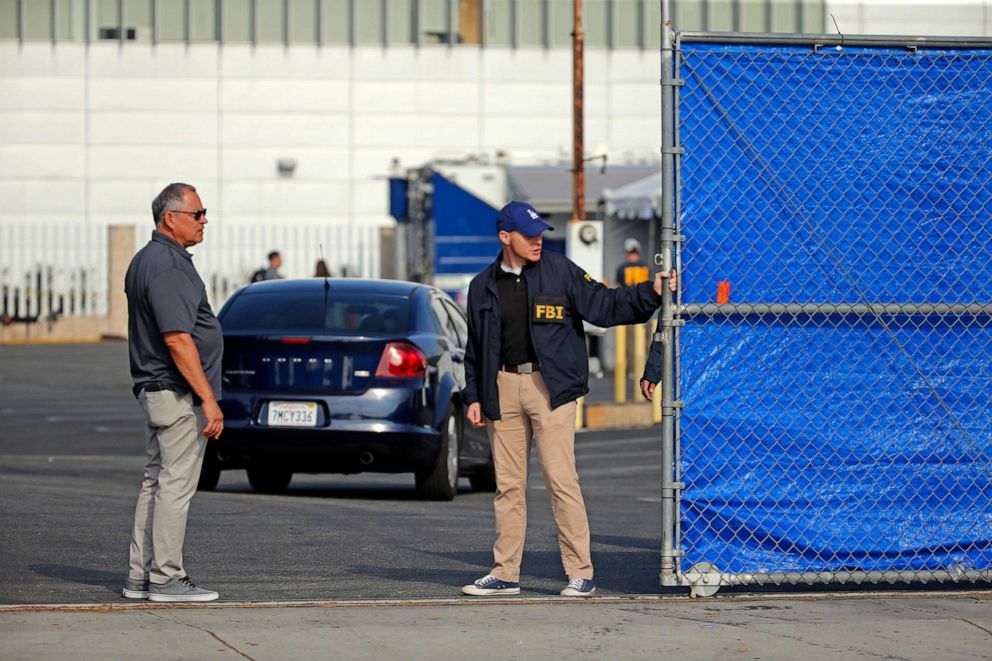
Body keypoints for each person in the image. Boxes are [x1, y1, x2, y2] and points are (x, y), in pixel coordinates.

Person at [461, 201, 671, 598]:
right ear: (505, 237)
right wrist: (474, 395)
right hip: (502, 389)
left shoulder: (561, 272)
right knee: (508, 486)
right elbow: (474, 348)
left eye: (540, 233)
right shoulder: (481, 286)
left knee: (561, 481)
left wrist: (651, 292)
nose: (538, 241)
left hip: (552, 389)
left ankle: (580, 572)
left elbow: (605, 307)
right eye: (529, 235)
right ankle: (505, 573)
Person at [122, 182, 224, 603]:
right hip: (175, 392)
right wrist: (208, 398)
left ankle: (139, 577)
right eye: (197, 214)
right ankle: (166, 577)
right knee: (175, 485)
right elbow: (178, 338)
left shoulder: (151, 260)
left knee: (156, 481)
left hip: (160, 390)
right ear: (170, 218)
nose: (204, 221)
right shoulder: (166, 266)